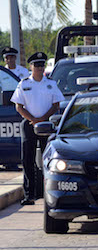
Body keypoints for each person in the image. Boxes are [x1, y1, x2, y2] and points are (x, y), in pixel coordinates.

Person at [11, 52, 64, 205]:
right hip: (28, 124)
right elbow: (18, 106)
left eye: (42, 65)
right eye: (37, 65)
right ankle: (29, 195)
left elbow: (56, 105)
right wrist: (33, 119)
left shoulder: (51, 84)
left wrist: (41, 119)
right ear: (31, 67)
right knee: (28, 159)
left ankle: (47, 192)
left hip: (46, 124)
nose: (40, 68)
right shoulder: (24, 83)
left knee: (48, 159)